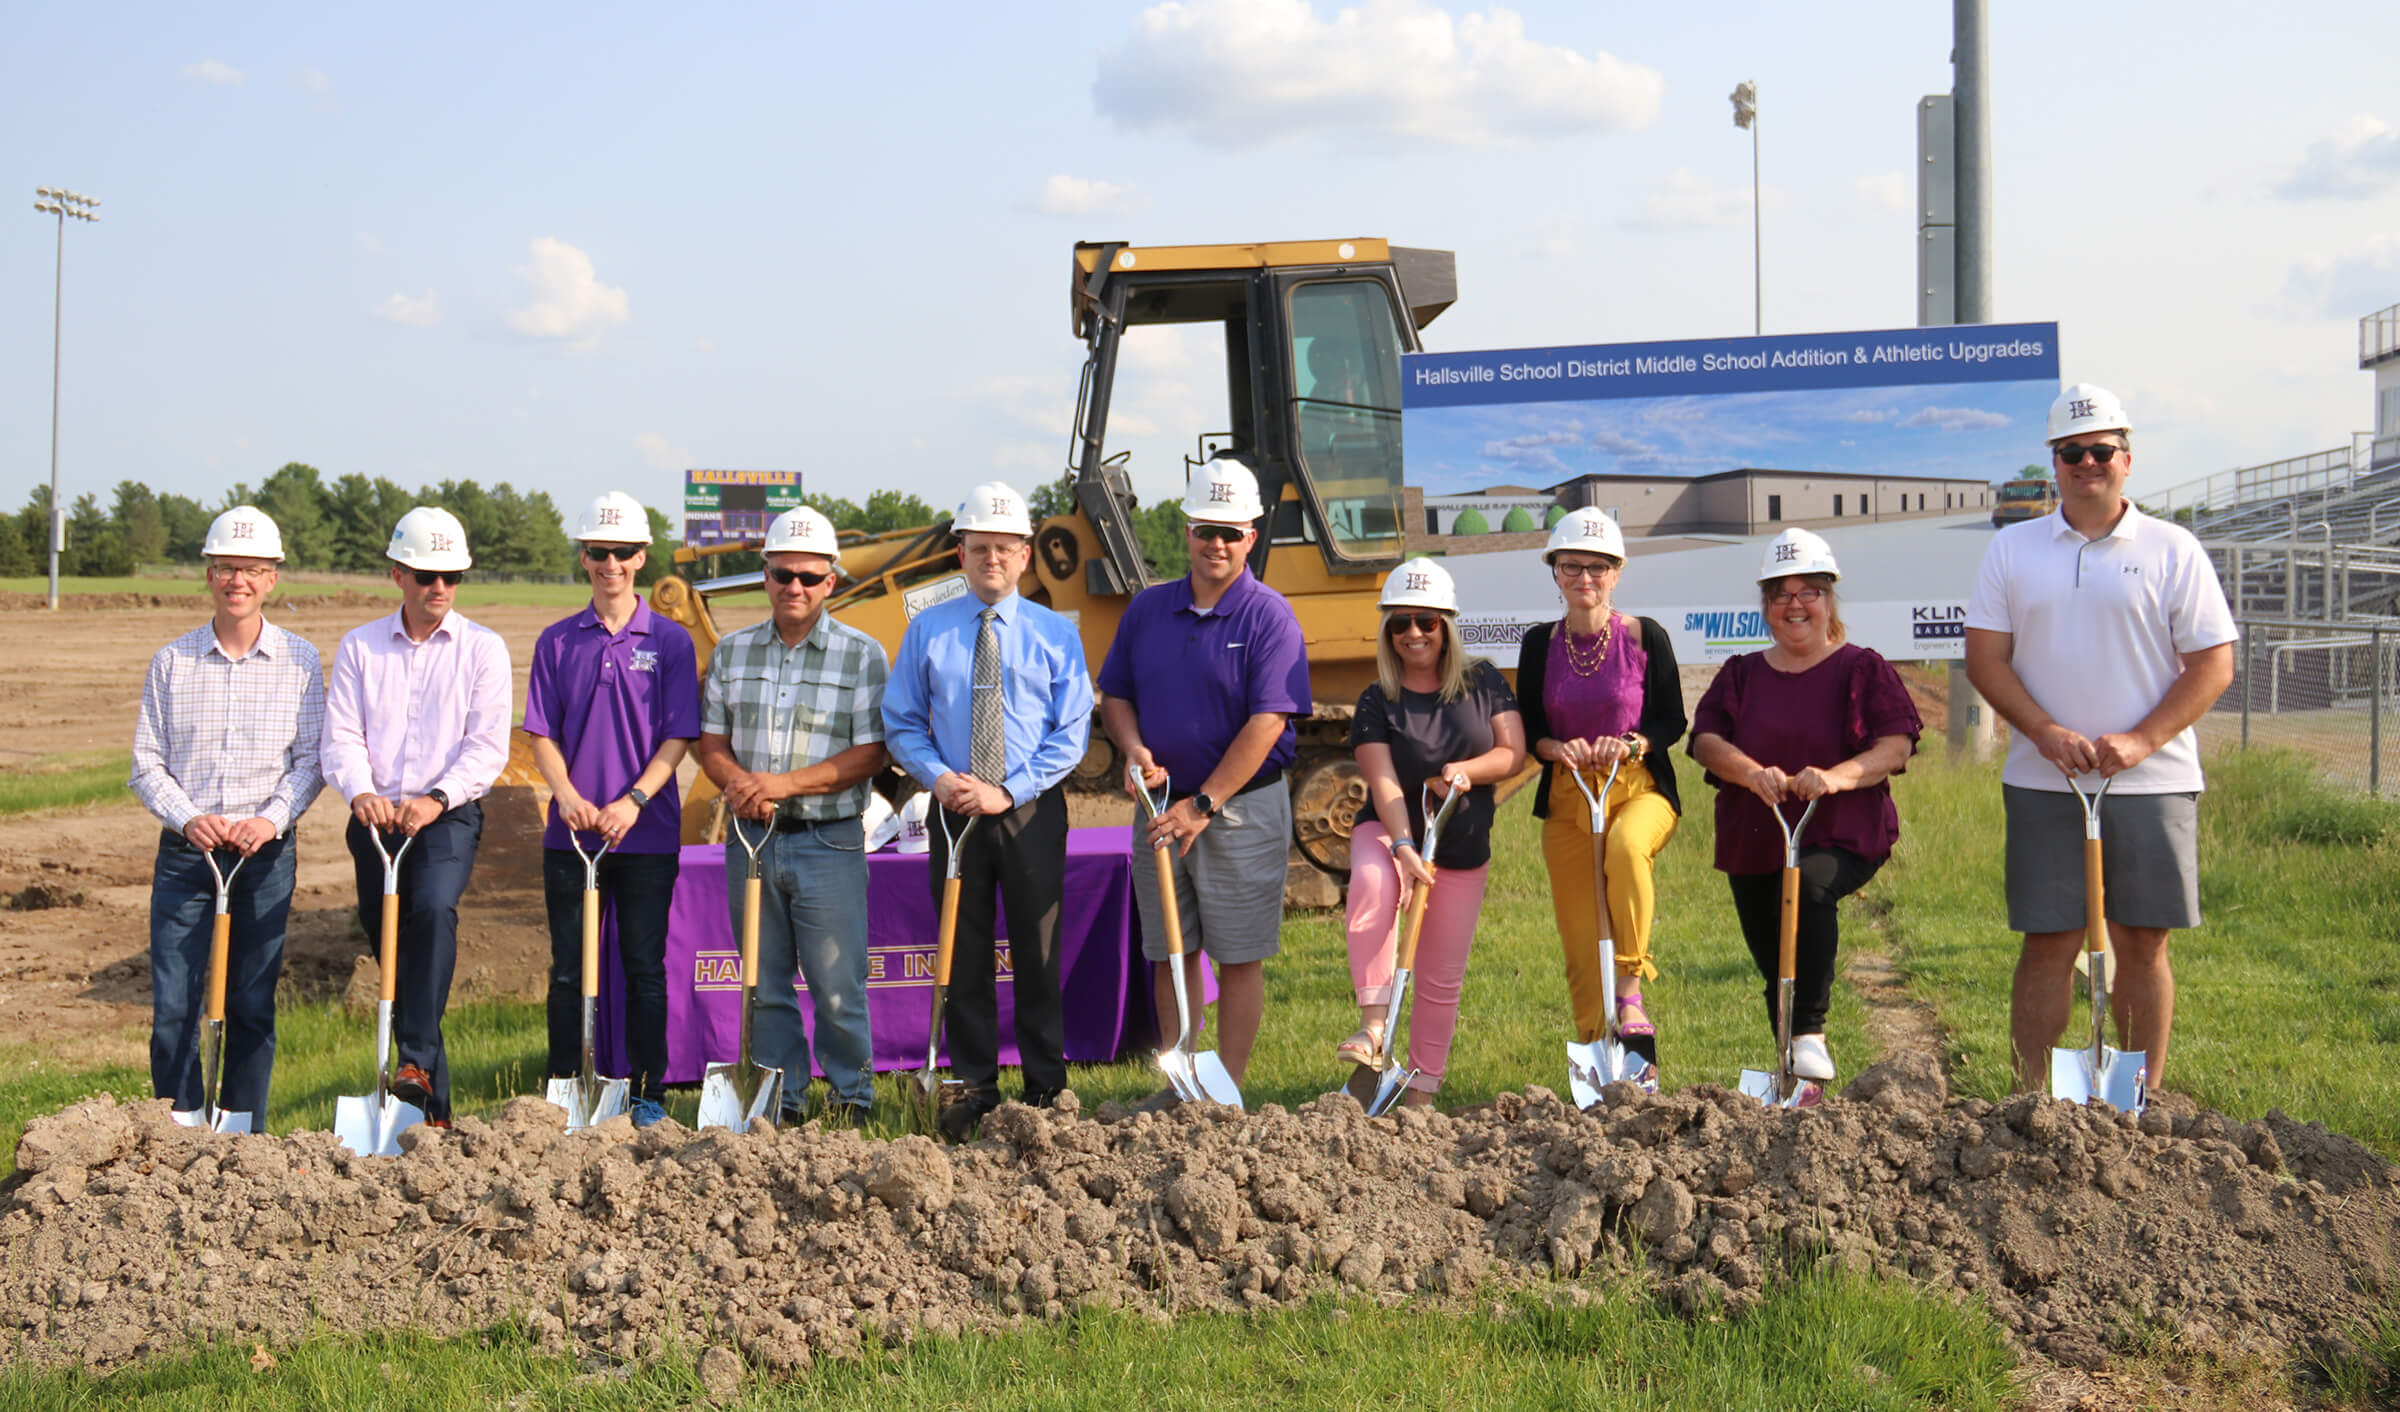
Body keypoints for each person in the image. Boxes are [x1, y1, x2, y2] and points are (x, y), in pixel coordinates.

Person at [1965, 383, 2236, 1092]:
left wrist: (2143, 741)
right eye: (2071, 452)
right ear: (2053, 462)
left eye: (2101, 450)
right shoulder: (2012, 550)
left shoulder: (2173, 548)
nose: (2087, 463)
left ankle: (2134, 1099)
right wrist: (2044, 731)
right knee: (2048, 941)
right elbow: (1986, 659)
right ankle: (2032, 1099)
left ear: (2127, 458)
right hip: (2043, 778)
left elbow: (2213, 663)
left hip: (2153, 779)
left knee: (2143, 942)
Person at [1098, 456, 1310, 1105]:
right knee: (1170, 953)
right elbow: (1116, 697)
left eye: (1230, 532)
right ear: (1186, 530)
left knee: (1237, 955)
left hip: (1237, 809)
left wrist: (1204, 803)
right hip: (1160, 807)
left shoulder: (1269, 617)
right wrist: (1134, 750)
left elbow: (1268, 722)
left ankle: (1227, 1091)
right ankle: (1182, 1084)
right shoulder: (1148, 610)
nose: (1215, 543)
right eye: (1204, 529)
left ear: (1252, 536)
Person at [884, 480, 1093, 1138]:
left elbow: (1072, 731)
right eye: (980, 549)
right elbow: (902, 721)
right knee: (962, 949)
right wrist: (939, 777)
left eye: (1005, 549)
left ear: (1026, 554)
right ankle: (972, 1082)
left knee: (1037, 949)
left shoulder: (1057, 634)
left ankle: (1044, 1087)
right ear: (960, 554)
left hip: (1029, 809)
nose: (992, 560)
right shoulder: (928, 631)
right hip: (953, 810)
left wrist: (1009, 790)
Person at [1689, 529, 1922, 1081]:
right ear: (1766, 607)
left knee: (1810, 888)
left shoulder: (1862, 668)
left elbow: (1896, 743)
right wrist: (1752, 774)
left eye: (1808, 592)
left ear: (1828, 600)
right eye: (1781, 594)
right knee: (1774, 955)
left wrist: (1837, 778)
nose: (1795, 605)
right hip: (1756, 832)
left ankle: (1810, 1031)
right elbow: (1705, 741)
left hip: (1840, 829)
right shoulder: (1741, 674)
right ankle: (1792, 1067)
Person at [129, 506, 325, 1127]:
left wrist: (270, 820)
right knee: (174, 1011)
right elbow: (146, 765)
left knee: (249, 1004)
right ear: (208, 575)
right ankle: (180, 1130)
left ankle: (243, 1139)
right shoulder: (172, 662)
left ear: (272, 578)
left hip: (263, 856)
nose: (237, 580)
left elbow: (311, 761)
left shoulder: (300, 662)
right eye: (225, 568)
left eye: (251, 569)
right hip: (188, 857)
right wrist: (189, 818)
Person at [694, 505, 890, 1125]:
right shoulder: (733, 653)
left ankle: (852, 1099)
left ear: (831, 579)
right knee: (765, 985)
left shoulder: (862, 655)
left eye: (809, 576)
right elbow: (711, 743)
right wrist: (740, 788)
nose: (795, 588)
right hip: (751, 838)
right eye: (783, 575)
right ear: (765, 577)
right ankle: (781, 1099)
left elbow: (870, 753)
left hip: (827, 840)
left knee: (837, 984)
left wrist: (780, 784)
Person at [321, 505, 512, 1128]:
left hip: (445, 817)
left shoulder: (483, 649)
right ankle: (431, 1111)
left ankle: (415, 1062)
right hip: (375, 822)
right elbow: (342, 736)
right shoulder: (360, 647)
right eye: (428, 576)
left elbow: (486, 748)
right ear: (398, 573)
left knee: (430, 910)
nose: (440, 589)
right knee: (396, 963)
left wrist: (434, 799)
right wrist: (361, 792)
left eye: (452, 577)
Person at [522, 491, 700, 1129]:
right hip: (570, 837)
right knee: (569, 970)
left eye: (624, 552)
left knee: (644, 968)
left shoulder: (672, 642)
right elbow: (540, 732)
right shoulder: (558, 641)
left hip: (645, 833)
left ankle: (648, 1093)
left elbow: (679, 735)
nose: (612, 564)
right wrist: (566, 797)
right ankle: (564, 1089)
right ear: (585, 557)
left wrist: (634, 801)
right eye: (601, 552)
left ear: (642, 557)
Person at [1338, 557, 1524, 1106]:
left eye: (1426, 621)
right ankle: (1374, 1027)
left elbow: (1510, 752)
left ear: (1447, 626)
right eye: (1399, 623)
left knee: (1441, 976)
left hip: (1460, 844)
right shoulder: (1377, 699)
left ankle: (1420, 1092)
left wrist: (1467, 772)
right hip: (1389, 828)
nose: (1412, 633)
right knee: (1372, 883)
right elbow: (1383, 781)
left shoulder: (1483, 681)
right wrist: (1401, 846)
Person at [1514, 508, 1685, 1061]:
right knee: (1582, 939)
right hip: (1568, 794)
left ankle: (1631, 995)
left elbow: (1671, 721)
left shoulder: (1644, 636)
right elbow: (1530, 731)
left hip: (1636, 788)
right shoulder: (1540, 644)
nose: (1584, 579)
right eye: (1571, 567)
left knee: (1626, 847)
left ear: (1616, 572)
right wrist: (1555, 748)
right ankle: (1599, 1051)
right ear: (1555, 573)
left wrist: (1633, 743)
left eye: (1597, 567)